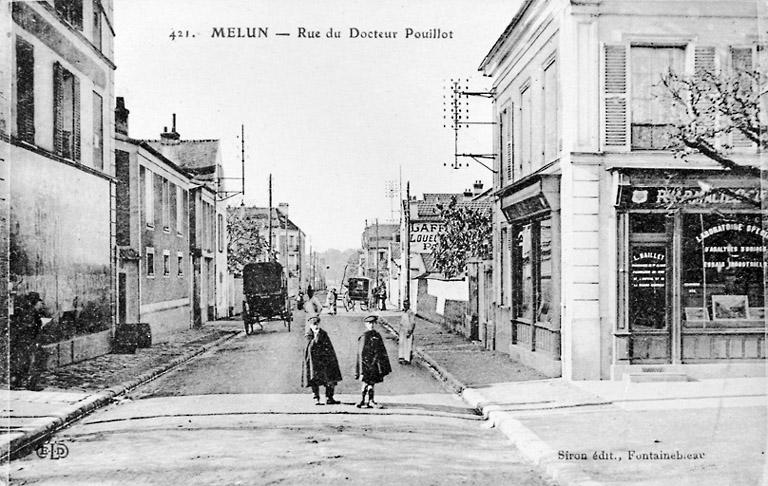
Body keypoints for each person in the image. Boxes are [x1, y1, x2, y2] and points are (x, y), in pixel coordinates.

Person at [10, 292, 47, 390]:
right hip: (28, 340)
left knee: (23, 362)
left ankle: (16, 381)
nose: (40, 304)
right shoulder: (31, 312)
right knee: (31, 362)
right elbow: (30, 326)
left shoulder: (25, 311)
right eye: (39, 302)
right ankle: (30, 384)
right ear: (35, 302)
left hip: (23, 340)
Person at [301, 316, 342, 405]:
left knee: (330, 378)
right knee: (314, 379)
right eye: (313, 324)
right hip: (314, 362)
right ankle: (316, 397)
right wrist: (316, 337)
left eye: (317, 324)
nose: (315, 326)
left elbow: (329, 348)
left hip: (325, 361)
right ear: (310, 325)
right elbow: (309, 348)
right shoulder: (308, 335)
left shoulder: (323, 334)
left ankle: (329, 397)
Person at [355, 315, 392, 409]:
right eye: (369, 323)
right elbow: (361, 354)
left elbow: (381, 350)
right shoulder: (364, 336)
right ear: (365, 324)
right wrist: (363, 368)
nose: (371, 325)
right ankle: (362, 400)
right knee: (365, 383)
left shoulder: (376, 335)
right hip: (366, 365)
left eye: (372, 323)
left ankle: (371, 400)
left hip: (375, 364)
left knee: (372, 383)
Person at [398, 299, 416, 365]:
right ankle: (401, 357)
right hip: (402, 330)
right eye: (404, 304)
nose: (405, 306)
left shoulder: (410, 313)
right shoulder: (404, 312)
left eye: (406, 305)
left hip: (407, 330)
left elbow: (412, 323)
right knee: (401, 344)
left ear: (409, 305)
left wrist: (410, 331)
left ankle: (407, 359)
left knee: (407, 345)